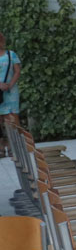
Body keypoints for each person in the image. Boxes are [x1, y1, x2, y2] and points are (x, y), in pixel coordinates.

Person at [0, 30, 20, 159]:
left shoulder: (11, 54)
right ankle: (1, 148)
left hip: (11, 92)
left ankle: (14, 148)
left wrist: (10, 85)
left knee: (11, 119)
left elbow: (17, 71)